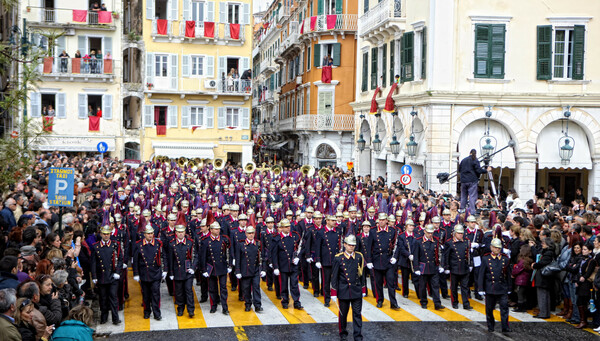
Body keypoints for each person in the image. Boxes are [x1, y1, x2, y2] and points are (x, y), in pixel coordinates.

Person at [331, 234, 365, 341]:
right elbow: (334, 276)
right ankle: (343, 334)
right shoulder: (338, 258)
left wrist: (363, 288)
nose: (351, 247)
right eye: (349, 245)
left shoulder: (359, 256)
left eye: (353, 245)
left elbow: (362, 274)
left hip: (356, 290)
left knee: (357, 315)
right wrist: (333, 292)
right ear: (344, 245)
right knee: (343, 315)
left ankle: (358, 336)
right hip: (344, 290)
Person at [133, 224, 166, 320]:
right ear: (144, 234)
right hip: (144, 273)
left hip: (155, 272)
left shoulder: (158, 243)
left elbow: (163, 256)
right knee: (146, 295)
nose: (150, 235)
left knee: (155, 294)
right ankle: (147, 311)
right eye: (148, 234)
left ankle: (157, 313)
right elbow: (135, 260)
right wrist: (136, 273)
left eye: (152, 233)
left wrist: (165, 270)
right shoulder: (138, 244)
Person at [91, 225, 123, 325]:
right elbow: (93, 262)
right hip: (102, 276)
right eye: (104, 234)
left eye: (108, 234)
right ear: (100, 234)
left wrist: (117, 272)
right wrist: (94, 276)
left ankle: (115, 318)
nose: (106, 236)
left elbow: (120, 259)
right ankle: (103, 317)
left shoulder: (115, 244)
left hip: (112, 276)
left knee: (113, 297)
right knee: (103, 298)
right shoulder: (95, 246)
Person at [478, 238, 511, 333]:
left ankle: (505, 326)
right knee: (489, 309)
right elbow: (481, 274)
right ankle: (490, 326)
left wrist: (509, 287)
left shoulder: (505, 259)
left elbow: (508, 274)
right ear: (491, 247)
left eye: (499, 248)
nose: (497, 249)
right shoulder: (486, 258)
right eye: (495, 248)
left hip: (502, 287)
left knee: (504, 308)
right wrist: (480, 288)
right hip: (490, 287)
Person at [200, 221, 232, 315]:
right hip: (211, 268)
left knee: (223, 288)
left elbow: (229, 253)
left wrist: (229, 265)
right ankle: (213, 306)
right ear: (211, 230)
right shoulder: (206, 241)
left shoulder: (224, 240)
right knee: (212, 288)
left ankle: (225, 307)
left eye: (218, 229)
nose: (217, 231)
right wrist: (204, 269)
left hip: (222, 267)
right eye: (215, 229)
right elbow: (203, 257)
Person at [368, 213, 399, 309]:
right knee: (378, 283)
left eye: (383, 220)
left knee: (391, 283)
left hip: (388, 260)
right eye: (379, 220)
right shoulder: (373, 231)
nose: (381, 222)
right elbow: (369, 247)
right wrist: (369, 260)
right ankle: (380, 300)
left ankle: (393, 303)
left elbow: (396, 244)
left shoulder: (392, 230)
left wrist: (395, 257)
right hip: (377, 260)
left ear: (386, 221)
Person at [272, 219, 303, 310]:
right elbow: (274, 254)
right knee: (284, 285)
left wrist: (298, 257)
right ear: (281, 228)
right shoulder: (277, 239)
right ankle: (285, 301)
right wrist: (276, 267)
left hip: (293, 265)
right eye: (285, 227)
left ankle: (296, 301)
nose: (288, 228)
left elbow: (301, 248)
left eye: (288, 226)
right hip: (283, 265)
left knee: (294, 284)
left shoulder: (294, 236)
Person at [413, 224, 445, 310]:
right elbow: (416, 255)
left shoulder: (436, 240)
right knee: (423, 286)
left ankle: (437, 303)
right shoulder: (418, 241)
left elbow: (440, 254)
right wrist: (416, 268)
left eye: (431, 233)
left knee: (435, 286)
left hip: (433, 266)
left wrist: (441, 265)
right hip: (423, 266)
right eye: (428, 233)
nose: (430, 235)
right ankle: (423, 301)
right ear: (424, 231)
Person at [168, 224, 196, 318]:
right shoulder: (172, 244)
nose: (181, 234)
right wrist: (171, 272)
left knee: (189, 290)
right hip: (177, 271)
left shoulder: (190, 243)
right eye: (179, 232)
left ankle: (191, 310)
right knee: (179, 292)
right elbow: (170, 259)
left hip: (188, 271)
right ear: (176, 233)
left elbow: (195, 256)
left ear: (185, 232)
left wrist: (193, 267)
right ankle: (180, 308)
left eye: (182, 232)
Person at [235, 226, 265, 312]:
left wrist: (263, 269)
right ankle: (248, 304)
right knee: (246, 289)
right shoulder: (241, 245)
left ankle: (257, 305)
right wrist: (237, 271)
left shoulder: (258, 244)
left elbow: (262, 257)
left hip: (255, 269)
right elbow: (238, 259)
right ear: (246, 234)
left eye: (252, 233)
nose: (251, 235)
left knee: (256, 287)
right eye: (249, 233)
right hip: (245, 270)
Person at [443, 224, 473, 310]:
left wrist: (470, 264)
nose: (461, 235)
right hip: (454, 267)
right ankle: (455, 302)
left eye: (462, 233)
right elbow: (447, 256)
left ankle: (466, 303)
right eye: (459, 233)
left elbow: (469, 254)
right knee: (454, 287)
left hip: (464, 267)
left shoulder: (466, 241)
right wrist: (447, 267)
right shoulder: (449, 243)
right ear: (455, 233)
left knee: (465, 287)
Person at [458, 149, 491, 214]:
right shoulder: (475, 160)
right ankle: (472, 211)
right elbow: (478, 170)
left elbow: (459, 169)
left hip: (464, 181)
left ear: (469, 153)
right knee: (472, 196)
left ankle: (462, 209)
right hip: (472, 180)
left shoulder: (463, 160)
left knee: (463, 196)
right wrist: (486, 170)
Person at [531, 237, 556, 319]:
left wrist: (534, 265)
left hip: (544, 277)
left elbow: (542, 263)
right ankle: (544, 312)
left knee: (543, 295)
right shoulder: (548, 252)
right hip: (545, 277)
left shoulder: (548, 253)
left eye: (544, 243)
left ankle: (543, 313)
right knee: (544, 295)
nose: (542, 244)